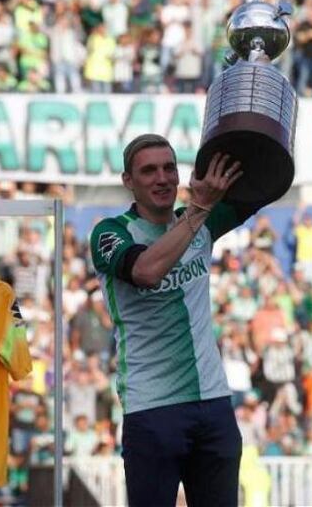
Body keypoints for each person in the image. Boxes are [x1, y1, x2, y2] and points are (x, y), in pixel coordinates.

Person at [90, 134, 252, 506]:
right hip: (152, 407)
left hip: (213, 403)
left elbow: (263, 183)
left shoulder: (202, 220)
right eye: (148, 171)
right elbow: (146, 271)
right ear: (128, 181)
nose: (162, 178)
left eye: (169, 168)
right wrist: (198, 210)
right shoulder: (109, 232)